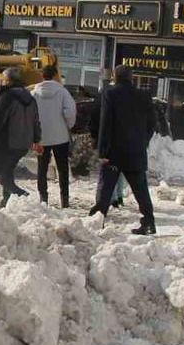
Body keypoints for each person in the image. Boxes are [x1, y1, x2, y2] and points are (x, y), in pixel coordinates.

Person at [90, 64, 156, 235]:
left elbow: (106, 122)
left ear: (114, 77)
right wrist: (143, 141)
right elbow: (152, 124)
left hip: (114, 152)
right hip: (136, 151)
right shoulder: (143, 95)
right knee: (141, 190)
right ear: (131, 77)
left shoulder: (110, 94)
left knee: (105, 189)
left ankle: (97, 221)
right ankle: (149, 222)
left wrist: (102, 150)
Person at [0, 67, 41, 208]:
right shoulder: (30, 98)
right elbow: (36, 121)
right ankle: (6, 201)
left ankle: (22, 195)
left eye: (3, 78)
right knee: (7, 171)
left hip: (6, 141)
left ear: (8, 80)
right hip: (24, 143)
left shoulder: (7, 97)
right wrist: (36, 139)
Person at [31, 65, 76, 208]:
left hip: (41, 137)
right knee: (63, 169)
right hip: (60, 137)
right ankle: (65, 199)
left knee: (42, 169)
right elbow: (70, 112)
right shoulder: (63, 92)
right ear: (56, 75)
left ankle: (43, 198)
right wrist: (68, 126)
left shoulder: (34, 93)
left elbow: (30, 114)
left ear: (42, 75)